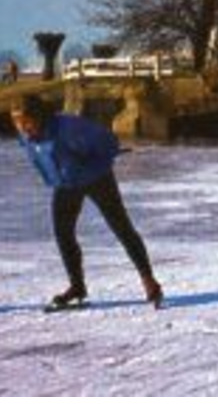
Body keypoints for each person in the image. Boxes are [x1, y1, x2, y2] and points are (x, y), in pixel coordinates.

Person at [10, 94, 163, 311]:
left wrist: (91, 163)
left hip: (96, 178)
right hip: (66, 183)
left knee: (120, 226)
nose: (22, 127)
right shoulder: (26, 136)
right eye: (16, 122)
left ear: (40, 116)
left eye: (26, 121)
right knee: (63, 233)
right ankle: (77, 286)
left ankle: (149, 280)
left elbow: (109, 142)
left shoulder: (69, 128)